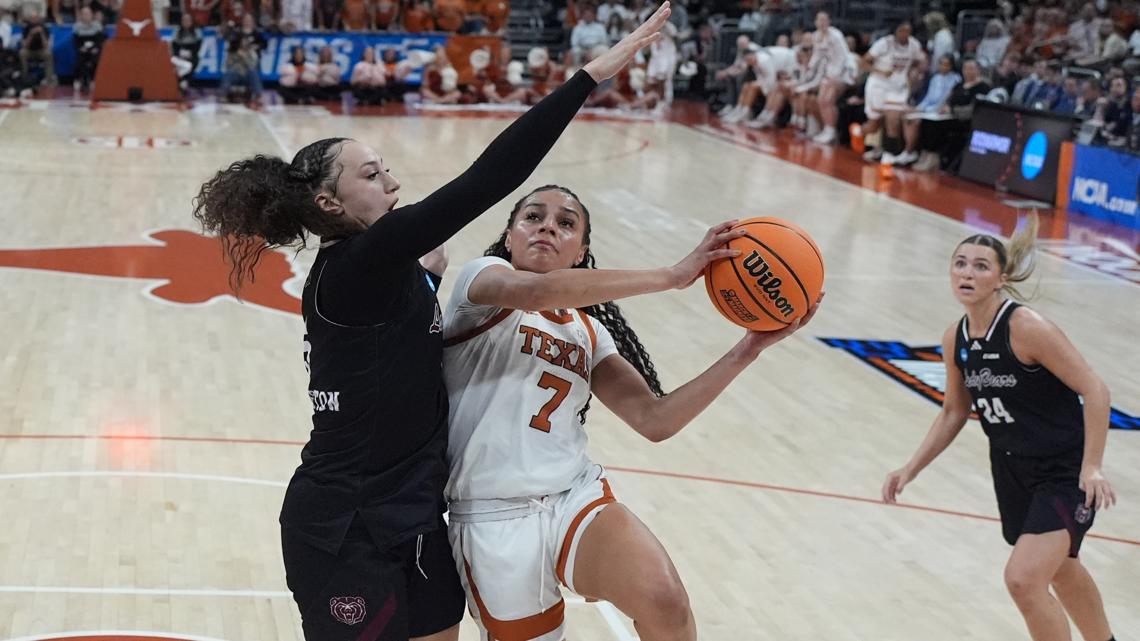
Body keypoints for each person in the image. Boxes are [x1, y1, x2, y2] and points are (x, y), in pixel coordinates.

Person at [190, 6, 672, 640]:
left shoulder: (402, 267)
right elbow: (489, 179)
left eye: (386, 165)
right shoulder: (355, 266)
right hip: (346, 523)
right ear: (331, 204)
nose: (391, 179)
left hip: (418, 515)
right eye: (371, 174)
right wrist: (586, 78)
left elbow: (429, 266)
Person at [442, 185, 822, 641]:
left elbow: (654, 419)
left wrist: (749, 348)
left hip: (572, 496)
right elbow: (539, 291)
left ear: (581, 252)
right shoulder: (480, 282)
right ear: (508, 238)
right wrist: (672, 275)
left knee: (665, 601)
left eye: (566, 224)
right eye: (532, 217)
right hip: (492, 515)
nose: (547, 226)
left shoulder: (590, 332)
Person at [883, 213, 1119, 641]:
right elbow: (954, 412)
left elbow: (1096, 390)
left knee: (1023, 580)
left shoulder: (1025, 327)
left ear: (1000, 277)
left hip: (1062, 470)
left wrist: (1092, 467)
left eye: (980, 266)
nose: (967, 273)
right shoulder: (956, 336)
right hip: (1011, 468)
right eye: (960, 263)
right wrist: (910, 468)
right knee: (1062, 569)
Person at [859, 20, 924, 162]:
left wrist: (915, 73)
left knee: (892, 118)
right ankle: (859, 133)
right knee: (874, 124)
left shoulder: (914, 45)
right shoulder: (884, 43)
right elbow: (863, 62)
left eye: (908, 31)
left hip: (897, 88)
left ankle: (890, 152)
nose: (905, 34)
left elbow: (920, 62)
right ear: (895, 31)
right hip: (878, 85)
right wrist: (880, 71)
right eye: (902, 30)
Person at [798, 11, 851, 144]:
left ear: (829, 22)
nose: (822, 23)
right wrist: (810, 66)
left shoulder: (836, 35)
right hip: (829, 71)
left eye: (824, 20)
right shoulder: (815, 36)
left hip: (844, 71)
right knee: (821, 99)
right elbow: (817, 54)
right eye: (819, 20)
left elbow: (844, 57)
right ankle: (827, 129)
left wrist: (837, 75)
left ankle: (832, 130)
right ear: (815, 22)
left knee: (828, 99)